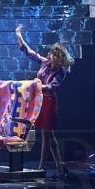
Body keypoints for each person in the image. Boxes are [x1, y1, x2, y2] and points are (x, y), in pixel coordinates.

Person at [15, 24, 74, 177]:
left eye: (53, 54)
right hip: (39, 101)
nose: (49, 55)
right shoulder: (44, 63)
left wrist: (37, 85)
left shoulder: (61, 71)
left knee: (46, 136)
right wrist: (18, 34)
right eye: (50, 53)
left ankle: (41, 167)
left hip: (48, 102)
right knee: (50, 135)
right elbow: (28, 51)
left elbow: (52, 86)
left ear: (58, 58)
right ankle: (60, 165)